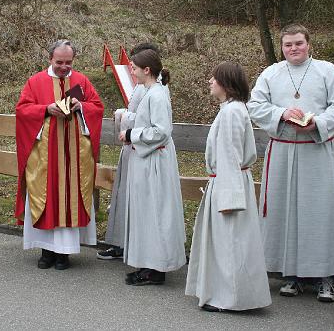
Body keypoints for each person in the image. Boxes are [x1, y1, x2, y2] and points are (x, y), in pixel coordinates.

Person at [247, 23, 334, 302]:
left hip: (316, 151)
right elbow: (255, 104)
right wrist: (282, 113)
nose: (293, 48)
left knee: (320, 214)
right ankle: (290, 275)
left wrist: (317, 122)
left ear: (309, 44)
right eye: (288, 44)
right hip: (282, 151)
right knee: (285, 211)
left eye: (298, 43)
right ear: (282, 47)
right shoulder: (271, 73)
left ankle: (326, 278)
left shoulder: (327, 71)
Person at [185, 61, 271, 311]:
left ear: (226, 83)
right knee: (225, 241)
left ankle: (230, 298)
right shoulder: (230, 109)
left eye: (214, 78)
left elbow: (230, 155)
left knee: (230, 241)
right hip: (224, 180)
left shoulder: (233, 112)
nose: (210, 82)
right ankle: (222, 293)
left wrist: (230, 197)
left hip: (229, 181)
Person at [15, 40, 104, 270]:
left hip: (74, 157)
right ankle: (46, 251)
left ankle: (64, 254)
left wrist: (80, 107)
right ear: (49, 59)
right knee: (48, 196)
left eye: (68, 62)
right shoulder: (35, 82)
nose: (64, 67)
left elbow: (97, 106)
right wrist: (45, 109)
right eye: (59, 62)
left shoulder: (81, 81)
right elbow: (22, 109)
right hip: (47, 155)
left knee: (69, 199)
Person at [120, 49, 186, 285]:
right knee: (145, 213)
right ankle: (148, 264)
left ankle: (156, 269)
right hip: (146, 159)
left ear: (147, 70)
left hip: (155, 163)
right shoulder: (150, 92)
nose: (133, 71)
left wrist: (131, 133)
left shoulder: (157, 95)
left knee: (155, 213)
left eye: (135, 68)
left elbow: (162, 130)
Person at [97, 42, 159, 261]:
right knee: (122, 196)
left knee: (135, 200)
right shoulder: (144, 86)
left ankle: (130, 245)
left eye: (135, 65)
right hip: (131, 147)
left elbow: (150, 124)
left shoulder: (154, 90)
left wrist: (124, 117)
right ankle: (120, 242)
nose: (131, 70)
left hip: (140, 150)